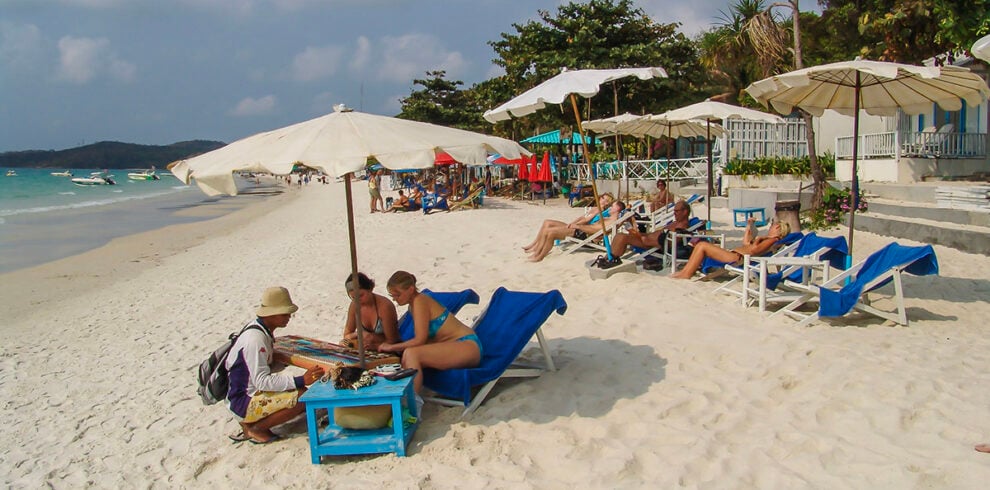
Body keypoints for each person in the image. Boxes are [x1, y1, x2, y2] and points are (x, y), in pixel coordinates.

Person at [226, 287, 324, 444]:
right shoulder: (255, 339)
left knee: (299, 392)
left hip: (246, 393)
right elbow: (261, 381)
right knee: (302, 396)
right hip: (244, 400)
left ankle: (255, 423)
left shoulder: (261, 330)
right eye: (284, 314)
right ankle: (257, 428)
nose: (289, 317)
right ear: (271, 314)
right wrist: (301, 380)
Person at [377, 271, 482, 395]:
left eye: (398, 295)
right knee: (408, 354)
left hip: (467, 346)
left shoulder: (420, 301)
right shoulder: (413, 306)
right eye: (392, 296)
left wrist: (391, 347)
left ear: (410, 289)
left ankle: (413, 403)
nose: (395, 299)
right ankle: (406, 397)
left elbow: (420, 340)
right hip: (453, 346)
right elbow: (423, 340)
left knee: (412, 354)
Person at [671, 219, 791, 279]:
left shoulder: (772, 240)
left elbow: (754, 251)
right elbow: (746, 243)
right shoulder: (770, 239)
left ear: (779, 229)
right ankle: (684, 272)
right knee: (700, 245)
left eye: (773, 226)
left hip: (737, 258)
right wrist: (749, 227)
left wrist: (760, 238)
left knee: (702, 246)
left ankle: (686, 274)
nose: (771, 228)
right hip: (736, 255)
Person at [527, 200, 628, 262]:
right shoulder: (611, 218)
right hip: (582, 230)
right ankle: (537, 250)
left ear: (617, 209)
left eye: (613, 206)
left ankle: (539, 256)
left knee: (551, 232)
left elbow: (595, 230)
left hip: (584, 235)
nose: (610, 207)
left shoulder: (612, 221)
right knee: (548, 222)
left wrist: (579, 226)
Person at [522, 192, 615, 253]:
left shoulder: (599, 210)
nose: (603, 200)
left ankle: (537, 248)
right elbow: (582, 217)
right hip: (576, 226)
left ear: (607, 203)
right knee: (547, 222)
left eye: (606, 200)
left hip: (581, 231)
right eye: (603, 198)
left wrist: (574, 225)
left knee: (549, 227)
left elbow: (586, 220)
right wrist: (571, 223)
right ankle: (534, 244)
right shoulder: (595, 208)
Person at [609, 199, 692, 257]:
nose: (674, 213)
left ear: (685, 212)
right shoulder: (675, 223)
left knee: (622, 237)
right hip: (647, 238)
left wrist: (640, 236)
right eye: (674, 211)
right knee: (620, 235)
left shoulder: (682, 227)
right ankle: (611, 257)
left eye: (677, 211)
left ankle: (612, 259)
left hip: (650, 243)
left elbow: (667, 242)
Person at [341, 272, 399, 351]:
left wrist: (372, 338)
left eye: (361, 295)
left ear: (370, 289)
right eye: (354, 297)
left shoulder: (384, 306)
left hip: (385, 350)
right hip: (365, 350)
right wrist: (357, 334)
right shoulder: (354, 306)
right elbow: (347, 335)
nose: (358, 300)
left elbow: (392, 340)